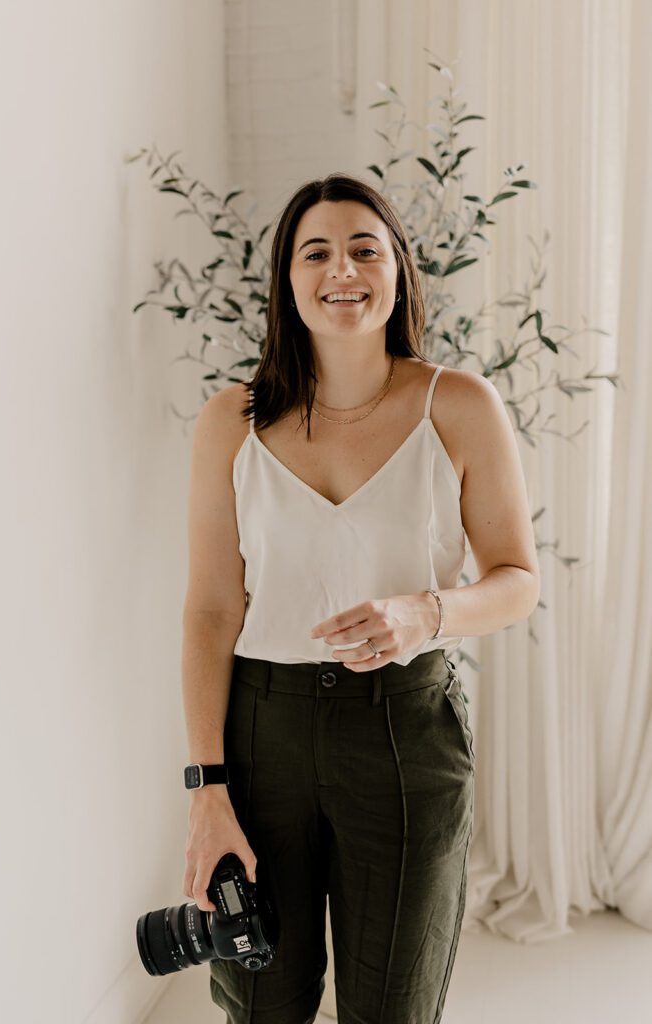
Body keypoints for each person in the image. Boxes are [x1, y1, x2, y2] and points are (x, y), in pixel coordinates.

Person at [181, 173, 540, 1024]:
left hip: (404, 734)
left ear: (396, 271)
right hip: (263, 732)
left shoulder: (456, 404)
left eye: (362, 247)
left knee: (392, 1007)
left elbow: (516, 581)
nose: (341, 268)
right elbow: (208, 611)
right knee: (261, 1002)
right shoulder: (230, 422)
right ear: (289, 280)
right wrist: (206, 789)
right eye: (316, 252)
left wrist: (427, 613)